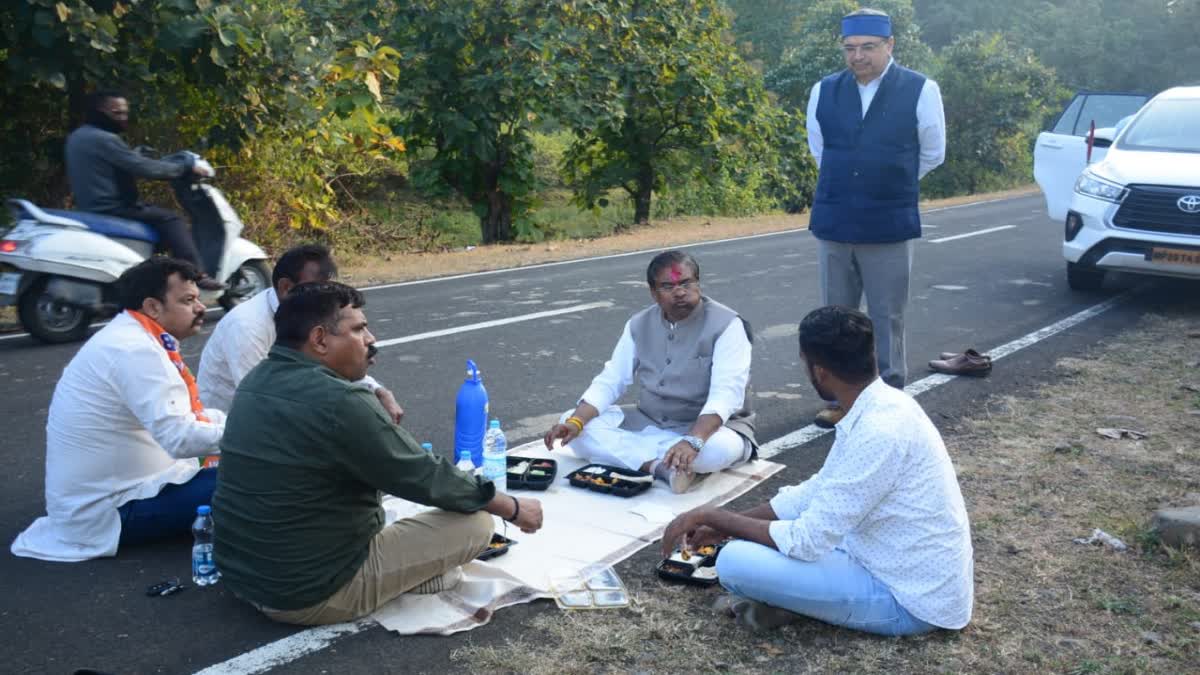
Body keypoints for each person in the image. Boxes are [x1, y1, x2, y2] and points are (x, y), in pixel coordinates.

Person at [212, 282, 543, 625]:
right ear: (320, 339)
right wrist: (513, 508)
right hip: (305, 594)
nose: (370, 339)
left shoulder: (255, 381)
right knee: (476, 523)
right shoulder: (340, 400)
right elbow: (424, 475)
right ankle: (405, 581)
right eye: (358, 329)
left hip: (242, 577)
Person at [660, 305, 973, 636]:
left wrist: (715, 517)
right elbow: (817, 491)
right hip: (886, 561)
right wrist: (724, 525)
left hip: (909, 601)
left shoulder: (879, 429)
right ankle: (796, 601)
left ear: (819, 371)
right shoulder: (883, 404)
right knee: (758, 543)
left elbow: (807, 541)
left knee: (734, 562)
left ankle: (795, 603)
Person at [11, 258, 226, 562]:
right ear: (152, 307)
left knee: (248, 464)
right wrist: (259, 434)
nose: (201, 307)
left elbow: (190, 419)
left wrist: (248, 424)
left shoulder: (132, 337)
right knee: (264, 478)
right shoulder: (134, 350)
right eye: (188, 300)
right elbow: (181, 439)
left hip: (115, 495)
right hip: (114, 508)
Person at [805, 8, 946, 427]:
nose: (858, 56)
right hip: (834, 220)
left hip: (888, 221)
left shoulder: (921, 89)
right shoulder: (824, 90)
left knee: (886, 316)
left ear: (889, 46)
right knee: (835, 316)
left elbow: (932, 152)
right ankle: (839, 400)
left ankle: (888, 399)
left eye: (868, 47)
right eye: (850, 48)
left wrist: (888, 182)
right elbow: (821, 150)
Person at [543, 250, 756, 494]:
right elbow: (612, 380)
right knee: (571, 422)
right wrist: (576, 422)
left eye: (686, 282)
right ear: (653, 293)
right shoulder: (638, 324)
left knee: (716, 451)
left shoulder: (727, 325)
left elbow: (726, 395)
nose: (679, 291)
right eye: (668, 286)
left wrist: (693, 440)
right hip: (650, 420)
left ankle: (649, 455)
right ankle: (659, 467)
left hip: (711, 429)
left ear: (698, 283)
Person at [197, 243, 404, 421]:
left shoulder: (308, 316)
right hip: (231, 430)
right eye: (314, 290)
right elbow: (261, 398)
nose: (323, 299)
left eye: (326, 291)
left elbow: (335, 364)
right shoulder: (247, 327)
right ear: (286, 287)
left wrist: (377, 390)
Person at [65, 89, 225, 291]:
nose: (123, 118)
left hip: (91, 207)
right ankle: (197, 274)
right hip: (114, 208)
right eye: (117, 113)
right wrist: (185, 167)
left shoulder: (78, 136)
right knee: (172, 220)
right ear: (99, 111)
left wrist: (135, 154)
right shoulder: (104, 139)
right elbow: (144, 168)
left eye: (125, 113)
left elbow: (113, 164)